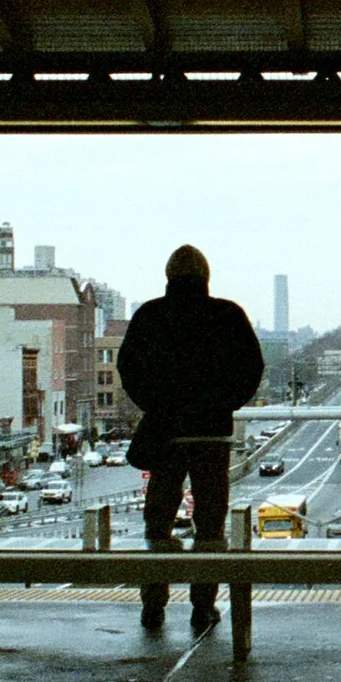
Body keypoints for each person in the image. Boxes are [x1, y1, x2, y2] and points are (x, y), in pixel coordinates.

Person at [115, 244, 267, 633]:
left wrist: (157, 405)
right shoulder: (227, 314)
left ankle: (153, 605)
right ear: (206, 277)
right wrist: (222, 404)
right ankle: (203, 606)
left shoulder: (150, 314)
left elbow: (128, 367)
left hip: (166, 432)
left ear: (168, 277)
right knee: (211, 524)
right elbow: (252, 367)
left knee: (158, 522)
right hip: (212, 434)